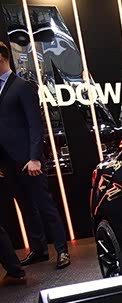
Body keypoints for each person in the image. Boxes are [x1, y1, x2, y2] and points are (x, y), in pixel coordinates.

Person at [0, 41, 70, 269]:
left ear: (1, 56)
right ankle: (39, 249)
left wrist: (35, 157)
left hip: (28, 159)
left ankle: (62, 250)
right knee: (26, 207)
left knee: (45, 205)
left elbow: (35, 124)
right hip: (7, 161)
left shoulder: (23, 86)